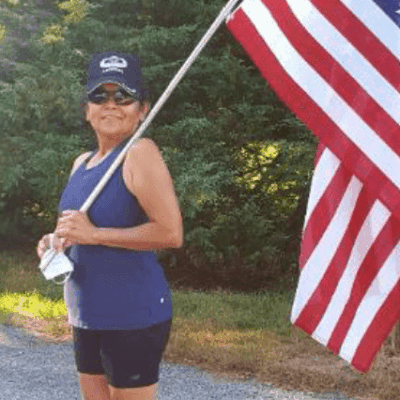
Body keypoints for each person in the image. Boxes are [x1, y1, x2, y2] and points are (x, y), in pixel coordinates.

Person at [37, 51, 183, 400]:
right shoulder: (81, 163)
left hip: (132, 314)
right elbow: (77, 228)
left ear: (142, 109)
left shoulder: (140, 152)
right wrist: (55, 240)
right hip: (87, 313)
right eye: (99, 96)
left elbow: (170, 232)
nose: (111, 104)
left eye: (123, 96)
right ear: (87, 109)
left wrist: (95, 235)